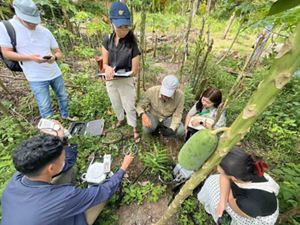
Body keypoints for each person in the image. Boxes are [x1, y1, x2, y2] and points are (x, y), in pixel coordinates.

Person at [1, 125, 134, 225]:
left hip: (35, 213)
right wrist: (123, 168)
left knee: (69, 170)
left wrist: (60, 139)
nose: (65, 158)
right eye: (62, 158)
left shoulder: (18, 179)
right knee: (101, 196)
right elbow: (104, 191)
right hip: (54, 209)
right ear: (51, 168)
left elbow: (67, 163)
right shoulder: (64, 197)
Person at [0, 0, 76, 121]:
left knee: (63, 96)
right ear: (19, 15)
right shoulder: (6, 27)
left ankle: (65, 117)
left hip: (54, 72)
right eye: (30, 21)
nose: (33, 24)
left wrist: (54, 58)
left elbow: (58, 52)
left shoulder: (44, 31)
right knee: (45, 106)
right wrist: (31, 58)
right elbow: (6, 53)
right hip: (35, 77)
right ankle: (51, 131)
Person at [198, 148, 279, 225]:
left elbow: (232, 203)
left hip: (252, 215)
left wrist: (224, 200)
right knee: (215, 182)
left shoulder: (247, 203)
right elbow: (224, 176)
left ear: (233, 178)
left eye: (221, 172)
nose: (219, 172)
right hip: (254, 204)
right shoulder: (252, 170)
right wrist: (222, 201)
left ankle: (228, 220)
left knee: (214, 190)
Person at [102, 2, 140, 143]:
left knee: (129, 105)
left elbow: (135, 70)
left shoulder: (132, 44)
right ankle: (120, 119)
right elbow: (105, 63)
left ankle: (134, 127)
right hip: (111, 79)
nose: (124, 30)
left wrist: (126, 74)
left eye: (126, 26)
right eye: (120, 27)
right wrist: (107, 68)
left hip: (125, 79)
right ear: (111, 23)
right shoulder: (107, 40)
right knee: (115, 102)